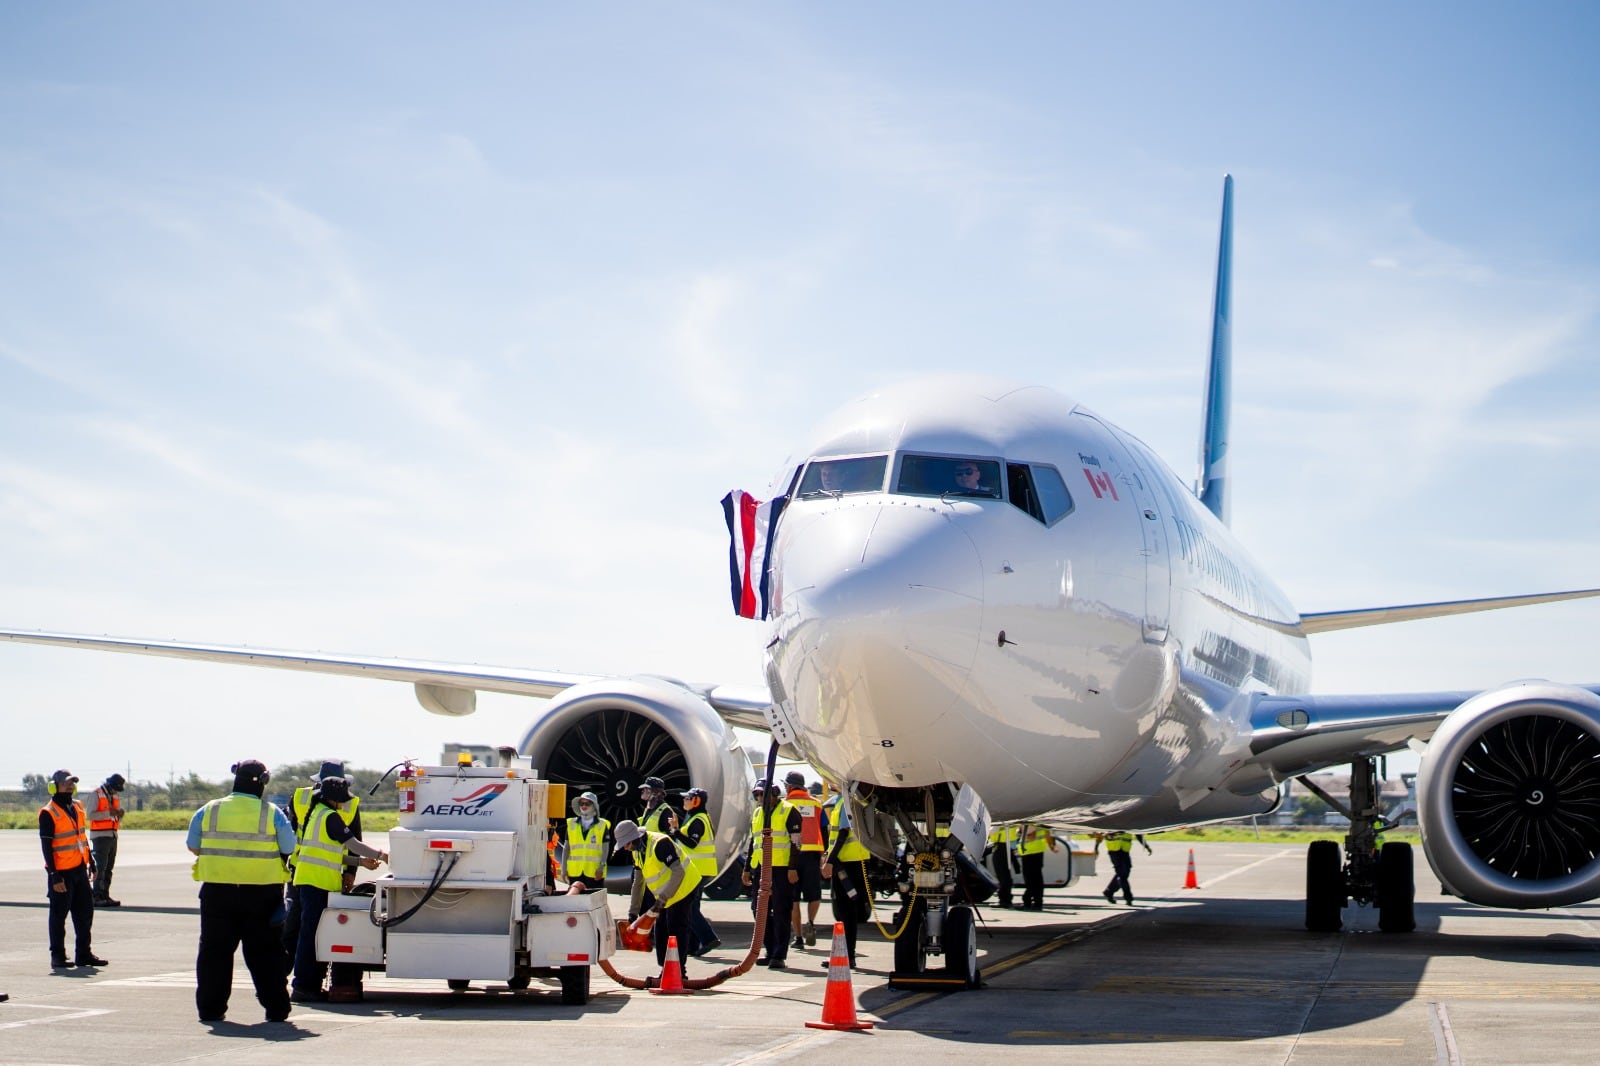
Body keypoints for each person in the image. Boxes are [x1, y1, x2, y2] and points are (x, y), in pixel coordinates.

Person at [187, 759, 295, 1023]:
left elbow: (193, 845)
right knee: (265, 954)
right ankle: (276, 1009)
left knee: (214, 953)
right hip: (262, 895)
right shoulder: (271, 813)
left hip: (217, 893)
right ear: (263, 782)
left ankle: (210, 1011)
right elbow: (289, 847)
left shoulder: (208, 810)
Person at [290, 774, 386, 1003]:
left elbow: (333, 854)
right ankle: (304, 986)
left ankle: (306, 985)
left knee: (311, 935)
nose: (345, 802)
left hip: (310, 881)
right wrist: (382, 855)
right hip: (317, 883)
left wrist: (359, 863)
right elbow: (353, 844)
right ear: (335, 799)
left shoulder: (317, 813)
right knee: (312, 936)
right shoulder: (331, 817)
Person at [280, 761, 362, 977]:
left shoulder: (302, 798)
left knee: (297, 926)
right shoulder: (339, 804)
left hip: (305, 870)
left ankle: (284, 978)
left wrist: (351, 871)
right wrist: (351, 873)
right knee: (309, 928)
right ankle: (295, 979)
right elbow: (355, 843)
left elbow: (288, 836)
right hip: (317, 874)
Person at [615, 819, 701, 979]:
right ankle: (666, 968)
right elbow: (638, 883)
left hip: (685, 887)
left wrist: (662, 899)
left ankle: (679, 972)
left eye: (626, 844)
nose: (625, 849)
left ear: (634, 838)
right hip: (667, 894)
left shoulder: (660, 844)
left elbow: (679, 872)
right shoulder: (637, 852)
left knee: (676, 929)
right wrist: (633, 913)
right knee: (660, 930)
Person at [39, 769, 104, 970]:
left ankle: (83, 953)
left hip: (78, 868)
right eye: (67, 782)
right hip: (61, 873)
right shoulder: (48, 813)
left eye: (73, 782)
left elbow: (81, 837)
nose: (71, 786)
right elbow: (46, 846)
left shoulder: (77, 807)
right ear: (55, 786)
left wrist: (91, 861)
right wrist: (54, 875)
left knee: (85, 913)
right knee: (59, 916)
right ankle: (57, 956)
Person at [741, 779, 801, 971]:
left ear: (774, 794)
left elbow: (796, 843)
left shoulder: (788, 810)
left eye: (763, 794)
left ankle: (779, 954)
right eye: (757, 795)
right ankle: (769, 948)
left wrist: (793, 867)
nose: (759, 798)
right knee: (758, 910)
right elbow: (754, 842)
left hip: (781, 868)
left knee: (781, 911)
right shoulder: (758, 813)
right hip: (760, 867)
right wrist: (747, 869)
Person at [820, 793, 872, 968]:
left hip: (848, 863)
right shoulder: (844, 800)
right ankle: (846, 955)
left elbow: (843, 832)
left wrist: (830, 861)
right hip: (848, 861)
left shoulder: (846, 800)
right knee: (845, 912)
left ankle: (847, 956)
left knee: (846, 912)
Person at [783, 771, 828, 948]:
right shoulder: (817, 804)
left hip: (792, 855)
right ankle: (810, 922)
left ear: (789, 786)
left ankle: (799, 937)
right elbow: (824, 830)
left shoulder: (785, 804)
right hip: (813, 854)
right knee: (814, 895)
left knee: (794, 898)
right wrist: (824, 854)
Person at [672, 787, 719, 956]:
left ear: (696, 801)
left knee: (689, 907)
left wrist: (676, 831)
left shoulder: (698, 820)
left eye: (687, 799)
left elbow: (692, 843)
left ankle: (708, 938)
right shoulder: (696, 818)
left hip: (698, 870)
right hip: (698, 869)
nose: (684, 801)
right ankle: (693, 945)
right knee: (693, 906)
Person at [629, 776, 677, 918]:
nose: (642, 791)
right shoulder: (649, 810)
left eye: (646, 789)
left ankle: (652, 931)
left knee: (651, 899)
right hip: (642, 861)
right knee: (642, 897)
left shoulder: (665, 811)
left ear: (655, 792)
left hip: (655, 863)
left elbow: (670, 838)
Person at [553, 790, 612, 892]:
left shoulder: (602, 825)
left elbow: (605, 848)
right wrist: (563, 869)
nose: (584, 806)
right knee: (574, 900)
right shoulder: (571, 824)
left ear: (594, 806)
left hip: (594, 873)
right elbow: (566, 848)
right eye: (581, 803)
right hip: (575, 872)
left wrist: (601, 867)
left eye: (587, 804)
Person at [88, 773, 127, 907]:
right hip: (100, 836)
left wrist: (120, 815)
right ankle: (96, 896)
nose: (116, 791)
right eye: (115, 788)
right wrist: (109, 813)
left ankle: (105, 894)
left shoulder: (114, 795)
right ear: (109, 785)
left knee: (108, 868)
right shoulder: (96, 794)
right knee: (100, 867)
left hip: (112, 835)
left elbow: (114, 816)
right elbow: (90, 815)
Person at [1096, 831, 1152, 905]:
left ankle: (1109, 891)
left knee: (1125, 872)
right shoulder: (1111, 822)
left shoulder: (1130, 822)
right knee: (1122, 875)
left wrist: (1146, 846)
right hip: (1114, 850)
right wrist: (1096, 847)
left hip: (1125, 850)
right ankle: (1128, 897)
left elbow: (1138, 833)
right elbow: (1101, 833)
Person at [1015, 822, 1058, 910]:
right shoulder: (1039, 821)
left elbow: (1030, 835)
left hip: (1030, 851)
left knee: (1031, 879)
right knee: (1036, 879)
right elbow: (1047, 833)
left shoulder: (1029, 821)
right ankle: (1037, 902)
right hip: (1034, 851)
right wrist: (1052, 846)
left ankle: (1028, 901)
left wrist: (1019, 832)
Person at [986, 824, 1020, 908]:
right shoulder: (1011, 819)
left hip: (1001, 847)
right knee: (1005, 874)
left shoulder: (1003, 819)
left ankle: (1004, 900)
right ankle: (1006, 898)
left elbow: (992, 830)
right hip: (1006, 846)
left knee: (1002, 874)